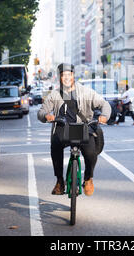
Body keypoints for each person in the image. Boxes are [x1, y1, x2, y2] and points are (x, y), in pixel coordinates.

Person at [38, 63, 111, 196]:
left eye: (69, 75)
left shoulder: (86, 92)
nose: (66, 78)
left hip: (84, 128)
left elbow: (104, 104)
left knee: (90, 153)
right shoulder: (54, 95)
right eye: (63, 75)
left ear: (73, 76)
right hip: (63, 129)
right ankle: (60, 181)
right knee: (55, 146)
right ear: (59, 77)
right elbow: (41, 112)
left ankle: (88, 178)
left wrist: (104, 115)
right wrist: (46, 116)